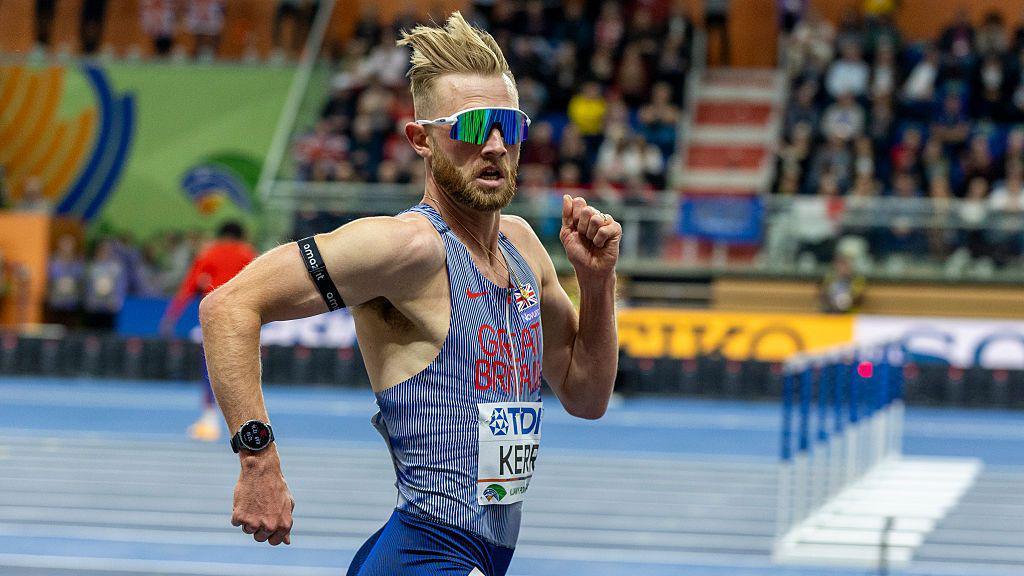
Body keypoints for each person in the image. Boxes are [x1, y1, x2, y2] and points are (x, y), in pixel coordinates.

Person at [198, 11, 621, 574]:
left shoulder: (523, 248)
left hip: (479, 555)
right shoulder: (401, 249)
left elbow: (586, 396)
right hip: (427, 552)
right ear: (421, 139)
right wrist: (258, 463)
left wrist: (597, 283)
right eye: (472, 126)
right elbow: (227, 305)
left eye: (508, 125)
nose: (495, 145)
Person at [162, 221, 256, 441]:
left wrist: (171, 316)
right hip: (243, 317)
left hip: (216, 318)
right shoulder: (248, 253)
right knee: (244, 369)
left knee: (211, 368)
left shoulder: (209, 253)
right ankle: (249, 424)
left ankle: (210, 418)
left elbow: (188, 287)